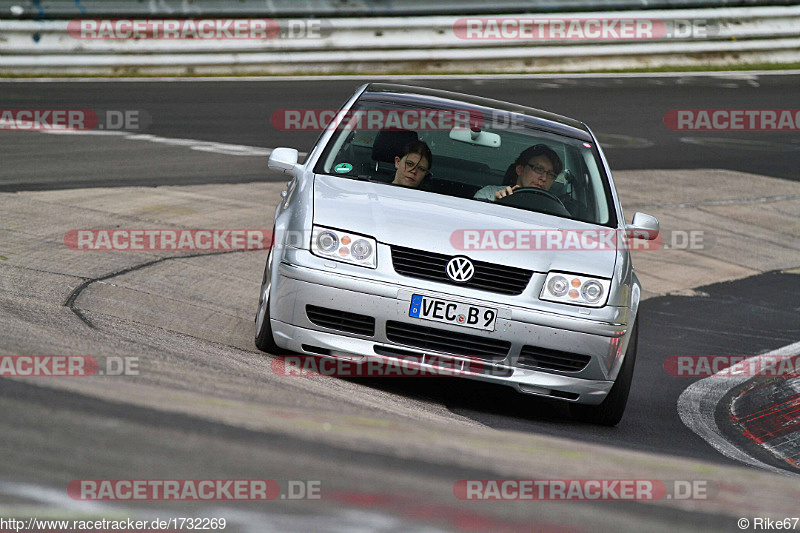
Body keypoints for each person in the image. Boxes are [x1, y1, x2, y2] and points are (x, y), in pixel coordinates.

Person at [474, 144, 563, 201]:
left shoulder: (555, 207)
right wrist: (497, 204)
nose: (544, 178)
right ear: (520, 170)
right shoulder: (489, 194)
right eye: (538, 169)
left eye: (551, 174)